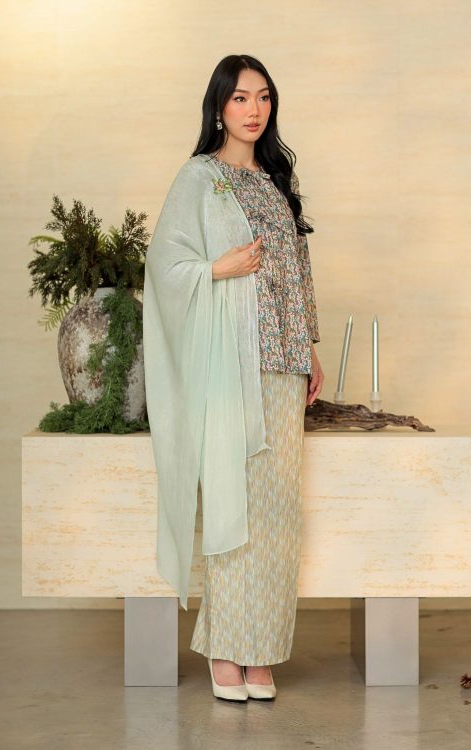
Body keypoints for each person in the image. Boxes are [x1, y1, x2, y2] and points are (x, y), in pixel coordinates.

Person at [143, 54, 323, 702]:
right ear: (219, 106)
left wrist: (309, 346)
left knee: (277, 513)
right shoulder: (200, 177)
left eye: (264, 97)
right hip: (231, 361)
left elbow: (298, 268)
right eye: (241, 97)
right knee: (232, 503)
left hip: (282, 363)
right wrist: (216, 270)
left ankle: (260, 650)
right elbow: (164, 266)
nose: (254, 110)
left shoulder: (275, 180)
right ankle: (226, 650)